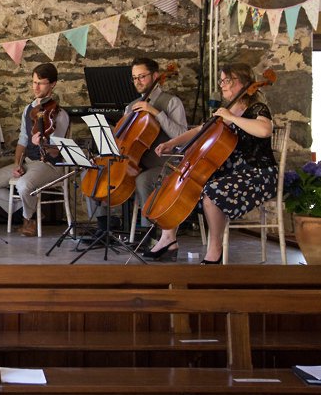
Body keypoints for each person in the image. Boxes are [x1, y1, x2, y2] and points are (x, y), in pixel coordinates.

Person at [147, 62, 277, 264]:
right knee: (187, 184)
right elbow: (201, 130)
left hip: (258, 174)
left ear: (242, 83)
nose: (222, 85)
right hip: (232, 172)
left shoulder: (257, 108)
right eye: (221, 80)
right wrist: (171, 143)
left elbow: (264, 130)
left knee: (211, 191)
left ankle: (215, 248)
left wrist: (232, 117)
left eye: (227, 80)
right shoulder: (227, 110)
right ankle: (168, 238)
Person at [82, 57, 188, 236]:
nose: (138, 82)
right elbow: (124, 139)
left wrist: (155, 112)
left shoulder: (171, 102)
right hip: (133, 162)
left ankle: (150, 234)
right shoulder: (131, 107)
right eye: (134, 78)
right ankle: (106, 227)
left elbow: (182, 137)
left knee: (143, 180)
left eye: (142, 77)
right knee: (92, 172)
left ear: (155, 76)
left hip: (163, 164)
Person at [0, 63, 70, 237]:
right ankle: (32, 213)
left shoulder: (60, 115)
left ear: (53, 84)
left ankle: (28, 221)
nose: (35, 87)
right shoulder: (28, 110)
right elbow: (22, 141)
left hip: (50, 165)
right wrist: (16, 164)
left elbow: (58, 151)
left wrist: (43, 144)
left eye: (41, 83)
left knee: (23, 184)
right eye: (34, 82)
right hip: (29, 162)